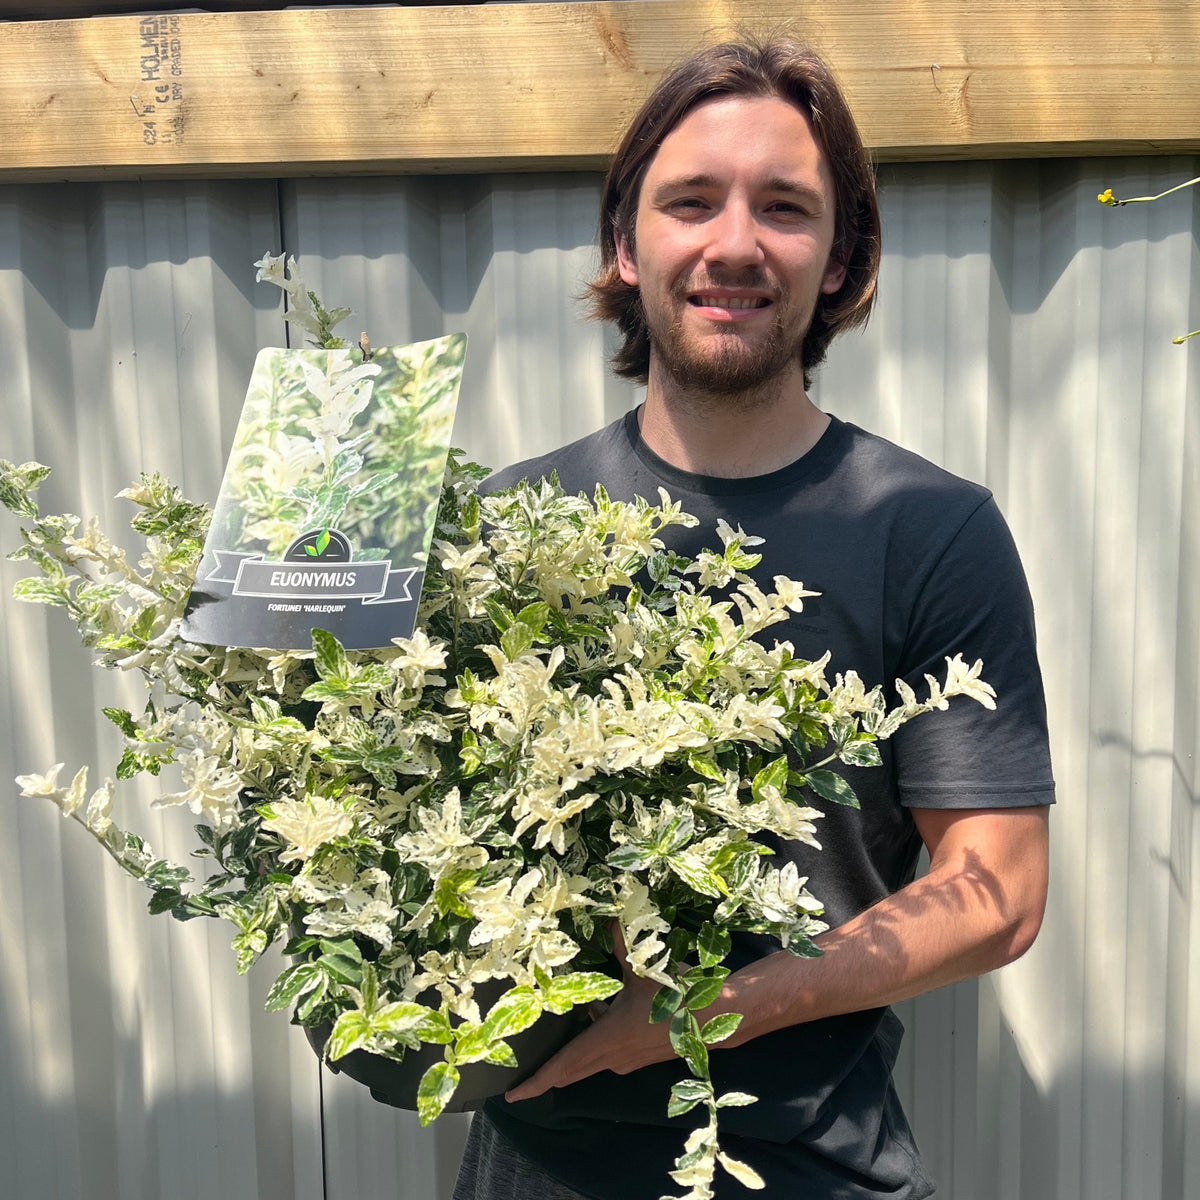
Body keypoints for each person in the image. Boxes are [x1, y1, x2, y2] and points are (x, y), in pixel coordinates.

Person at [453, 34, 1053, 1200]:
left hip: (811, 1172)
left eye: (784, 208)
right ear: (626, 245)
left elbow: (1002, 891)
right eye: (691, 202)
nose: (735, 244)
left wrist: (704, 1012)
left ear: (839, 260)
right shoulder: (507, 525)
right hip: (529, 1169)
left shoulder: (930, 530)